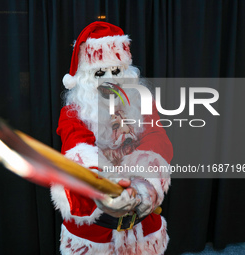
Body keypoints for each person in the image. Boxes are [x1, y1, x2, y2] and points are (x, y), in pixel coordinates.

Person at [51, 21, 173, 255]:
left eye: (116, 71)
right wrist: (105, 188)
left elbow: (157, 136)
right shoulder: (72, 112)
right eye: (100, 73)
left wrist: (142, 185)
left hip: (140, 219)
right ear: (86, 77)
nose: (110, 80)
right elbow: (77, 145)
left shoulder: (140, 102)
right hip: (94, 226)